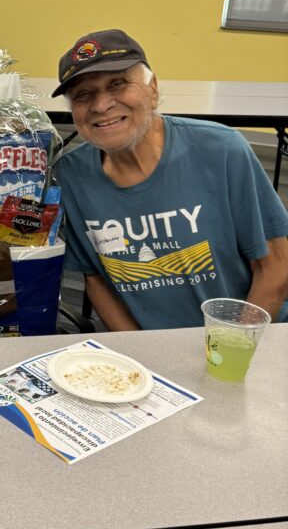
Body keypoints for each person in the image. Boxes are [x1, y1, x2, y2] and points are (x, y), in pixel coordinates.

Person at [52, 29, 288, 330]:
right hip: (150, 353)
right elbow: (95, 279)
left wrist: (231, 347)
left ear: (152, 89)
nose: (100, 105)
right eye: (84, 95)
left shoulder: (221, 150)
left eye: (118, 84)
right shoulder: (71, 175)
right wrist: (141, 354)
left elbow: (275, 266)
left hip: (245, 338)